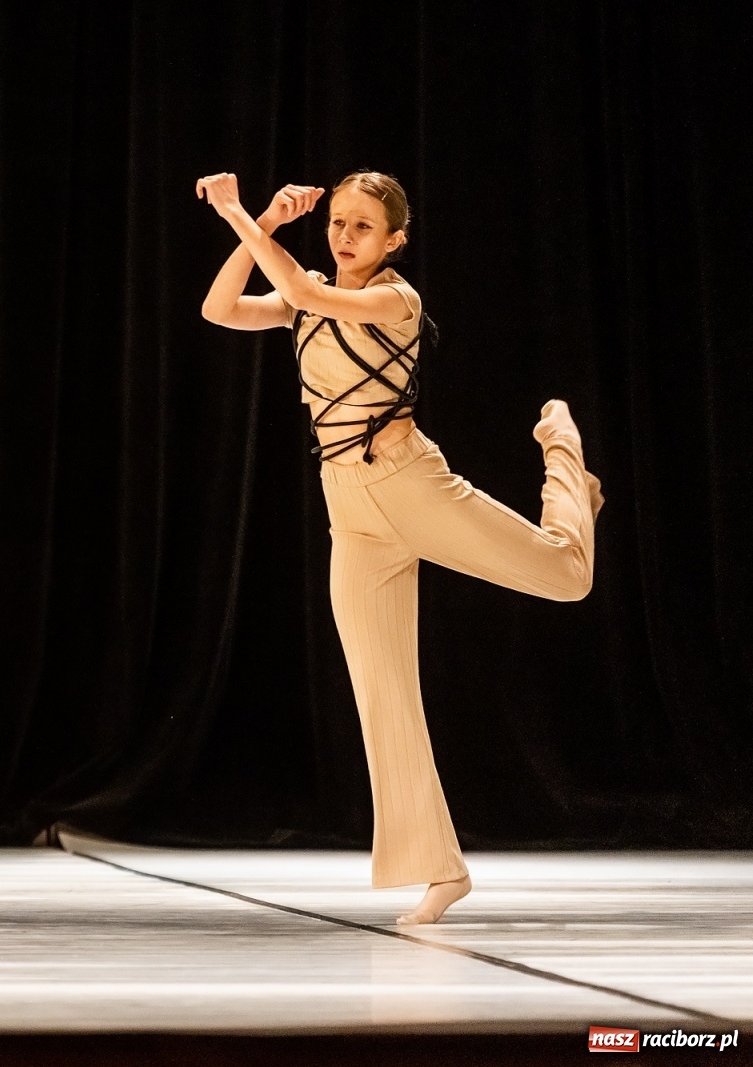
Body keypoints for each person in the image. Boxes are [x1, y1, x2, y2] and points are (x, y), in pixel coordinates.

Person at [195, 169, 601, 925]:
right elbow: (220, 308)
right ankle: (437, 869)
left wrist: (237, 213)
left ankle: (567, 462)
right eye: (339, 222)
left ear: (394, 241)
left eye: (362, 228)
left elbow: (316, 298)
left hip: (409, 482)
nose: (345, 237)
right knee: (382, 690)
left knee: (568, 576)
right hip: (348, 508)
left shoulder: (395, 299)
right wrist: (268, 228)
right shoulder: (304, 291)